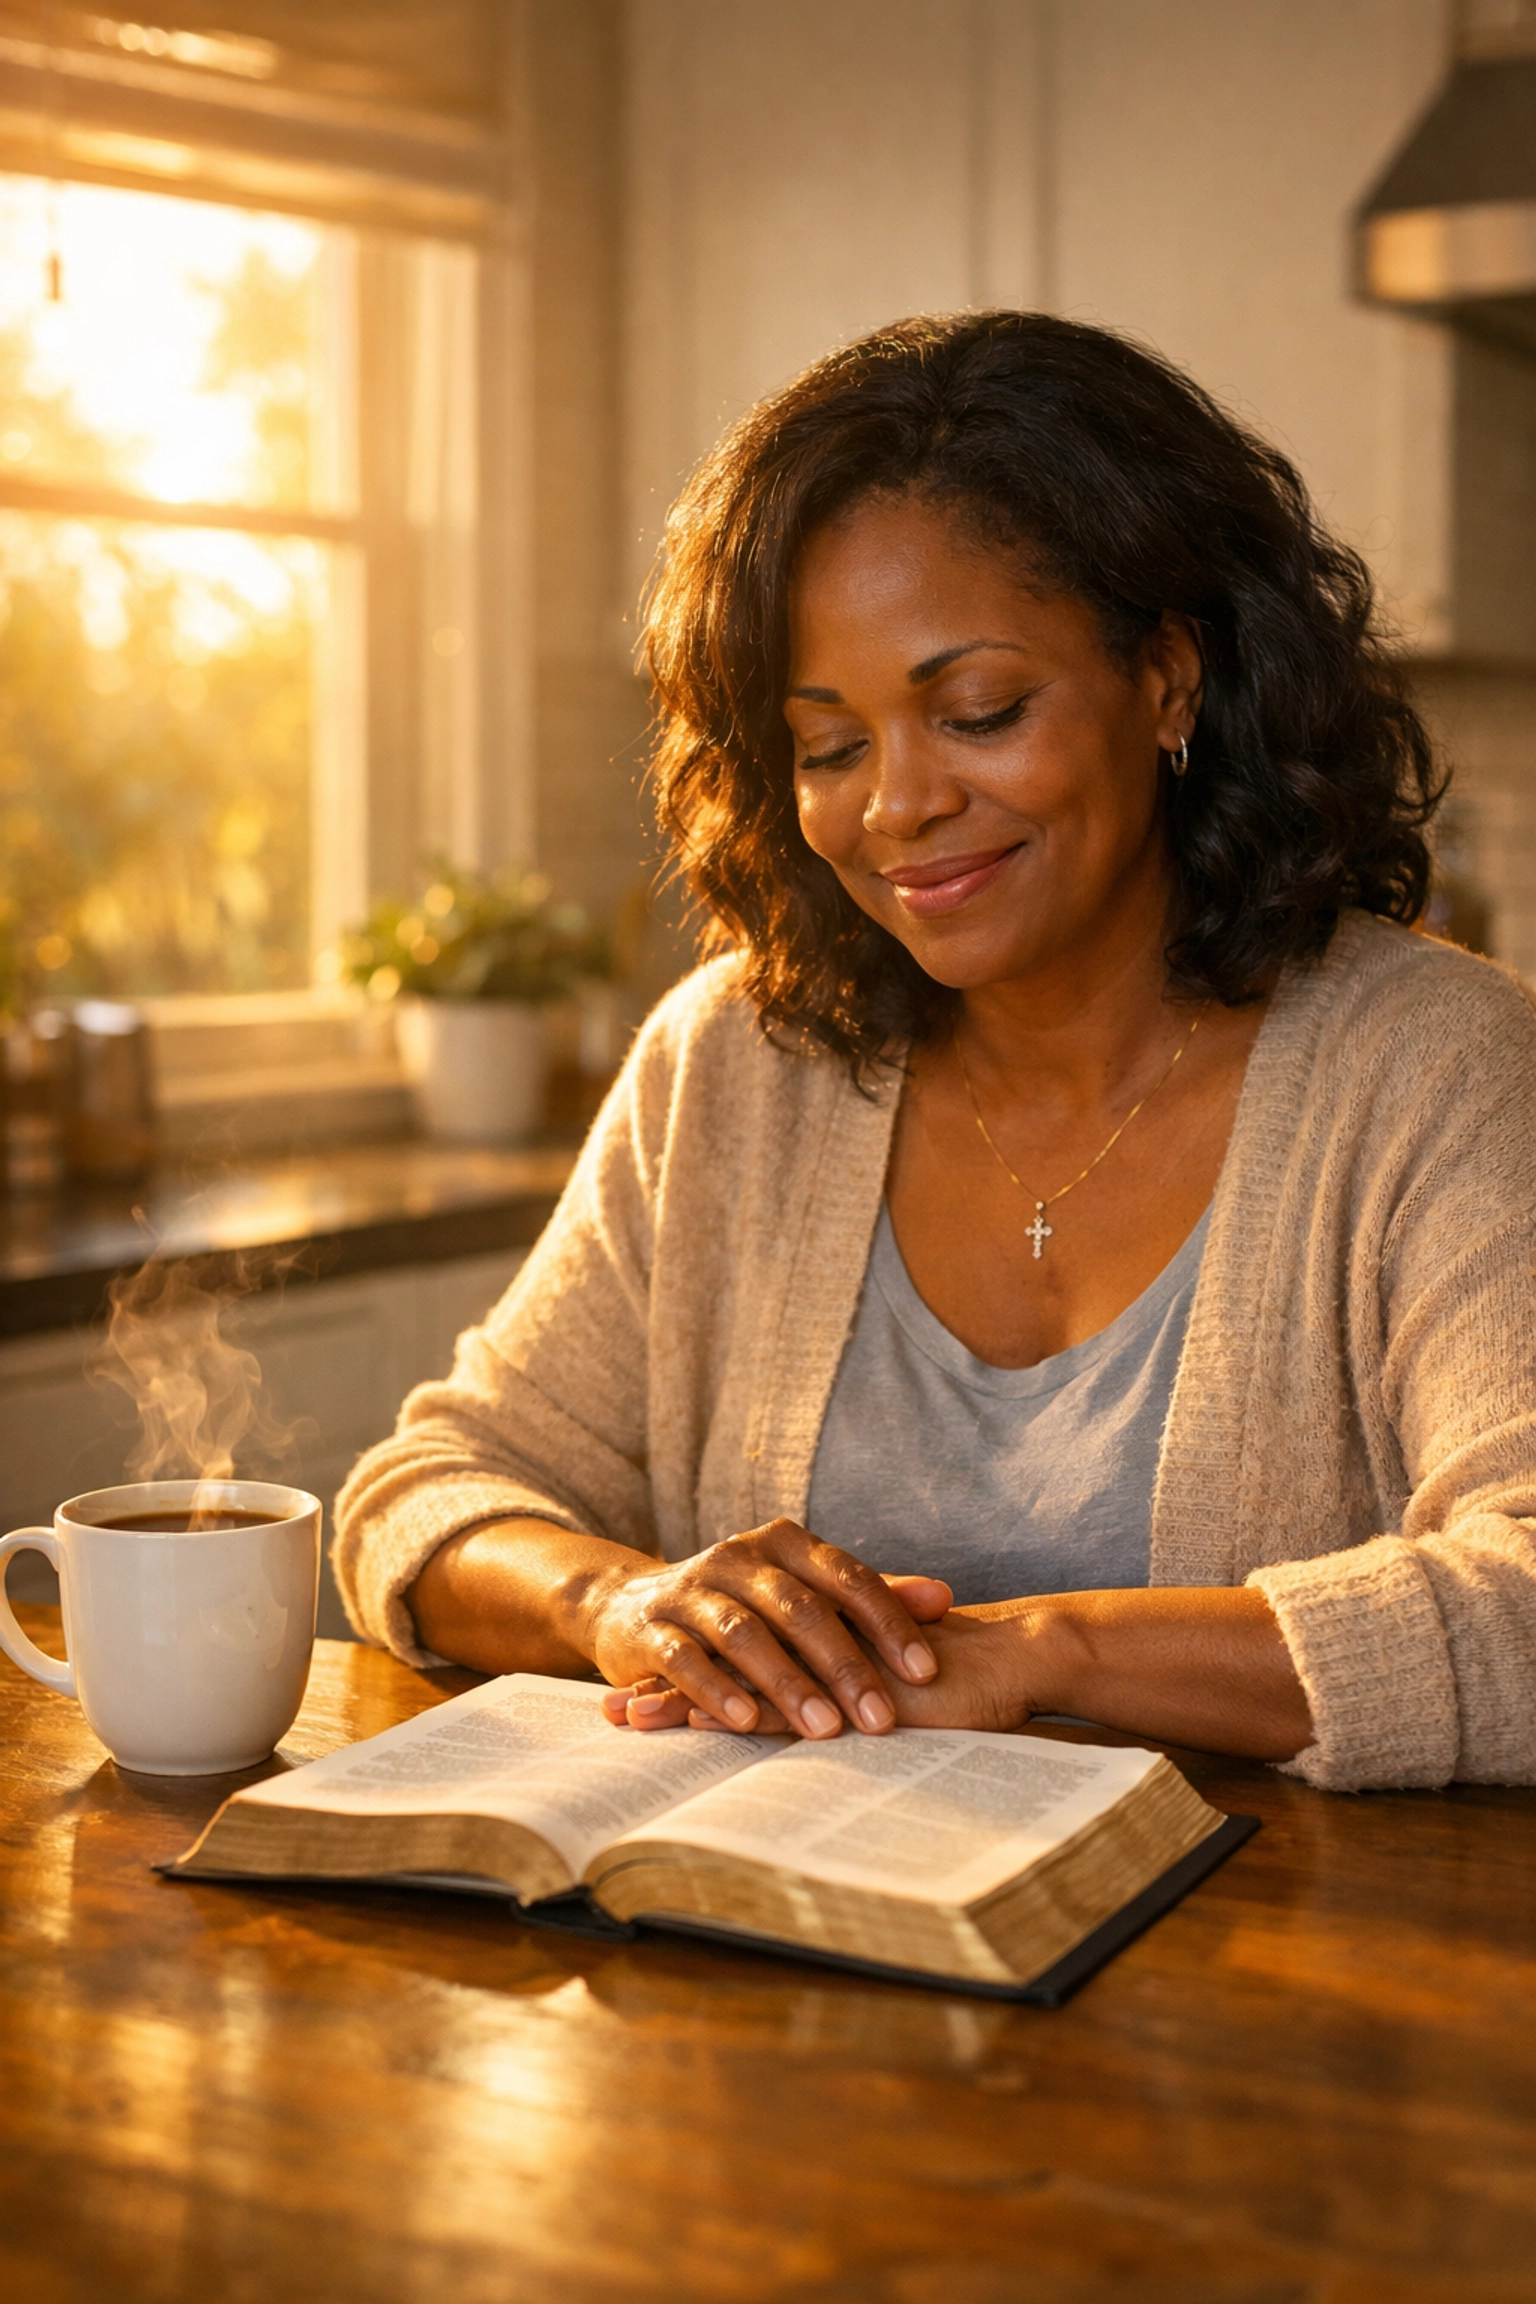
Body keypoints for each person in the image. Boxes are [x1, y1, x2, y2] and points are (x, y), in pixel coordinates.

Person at [335, 312, 1536, 1792]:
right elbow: (423, 1492)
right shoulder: (736, 1065)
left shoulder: (1438, 1071)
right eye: (830, 748)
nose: (896, 807)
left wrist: (1043, 1654)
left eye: (978, 711)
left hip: (1261, 1999)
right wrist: (625, 1605)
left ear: (1169, 678)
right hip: (777, 1980)